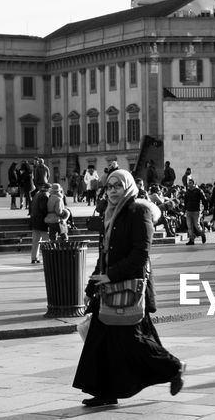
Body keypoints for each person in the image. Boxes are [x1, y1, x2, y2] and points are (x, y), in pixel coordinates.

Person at [73, 170, 185, 407]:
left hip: (129, 288)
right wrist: (92, 285)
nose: (112, 190)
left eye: (118, 185)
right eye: (109, 186)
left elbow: (141, 253)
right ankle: (105, 392)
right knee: (101, 341)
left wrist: (111, 276)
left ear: (128, 187)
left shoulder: (139, 211)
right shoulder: (110, 213)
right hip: (108, 285)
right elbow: (105, 255)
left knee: (133, 340)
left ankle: (174, 367)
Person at [28, 183, 50, 264]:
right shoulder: (45, 195)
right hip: (41, 221)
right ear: (48, 189)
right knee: (46, 241)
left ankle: (34, 258)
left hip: (34, 220)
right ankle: (47, 258)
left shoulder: (36, 194)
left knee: (35, 241)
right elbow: (43, 208)